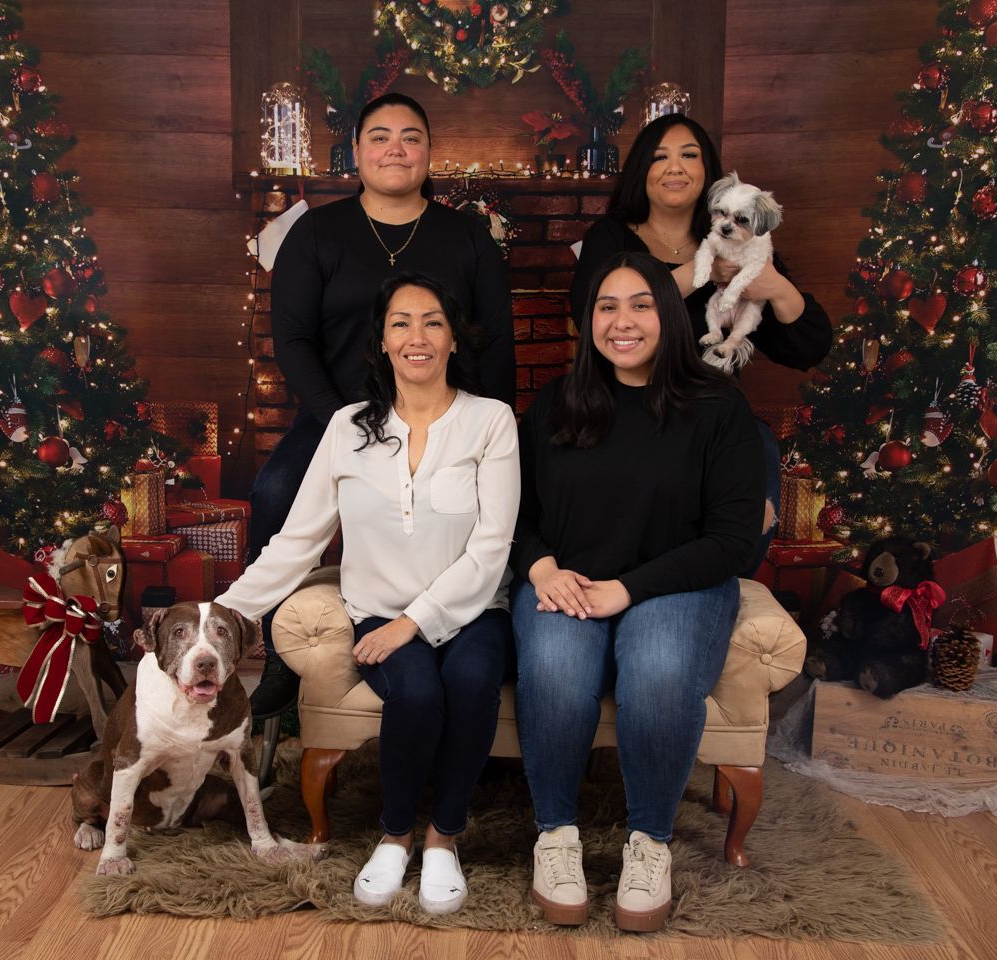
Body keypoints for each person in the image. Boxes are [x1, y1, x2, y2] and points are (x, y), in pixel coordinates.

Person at [218, 273, 519, 915]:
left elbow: (492, 548)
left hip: (473, 612)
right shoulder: (348, 427)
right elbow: (298, 541)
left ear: (453, 338)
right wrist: (224, 614)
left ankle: (443, 838)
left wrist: (414, 622)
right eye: (401, 323)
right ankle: (395, 835)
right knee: (415, 689)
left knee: (468, 683)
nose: (418, 336)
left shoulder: (490, 422)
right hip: (376, 611)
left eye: (432, 321)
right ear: (381, 340)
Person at [514, 251, 763, 932]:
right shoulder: (556, 406)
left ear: (670, 316)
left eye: (641, 305)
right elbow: (512, 513)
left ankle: (649, 843)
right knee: (557, 669)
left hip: (678, 584)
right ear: (587, 320)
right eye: (606, 307)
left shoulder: (717, 408)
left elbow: (735, 540)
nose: (622, 322)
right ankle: (556, 838)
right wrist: (539, 568)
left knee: (655, 672)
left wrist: (629, 589)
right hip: (568, 581)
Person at [249, 92, 515, 720]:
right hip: (335, 417)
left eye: (411, 137)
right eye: (380, 136)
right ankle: (278, 661)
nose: (396, 148)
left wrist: (485, 427)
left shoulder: (465, 235)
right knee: (271, 494)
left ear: (428, 151)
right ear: (356, 151)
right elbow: (291, 338)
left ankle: (475, 632)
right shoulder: (316, 231)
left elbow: (496, 342)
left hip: (442, 419)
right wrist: (342, 421)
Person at [570, 113, 831, 572]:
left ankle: (728, 577)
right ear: (641, 172)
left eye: (689, 155)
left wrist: (773, 286)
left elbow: (807, 347)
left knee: (758, 442)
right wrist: (701, 274)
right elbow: (594, 314)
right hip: (628, 407)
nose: (676, 167)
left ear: (708, 173)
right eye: (660, 157)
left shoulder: (741, 241)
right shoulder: (611, 238)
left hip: (711, 413)